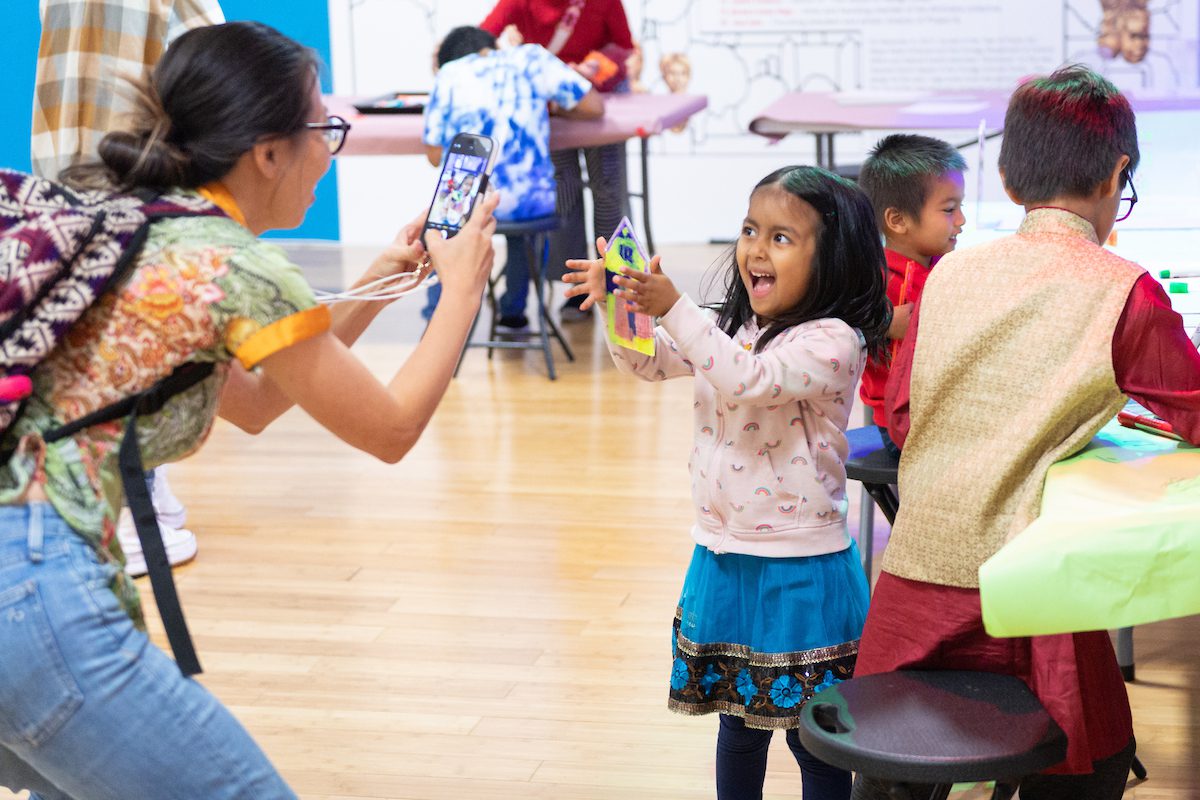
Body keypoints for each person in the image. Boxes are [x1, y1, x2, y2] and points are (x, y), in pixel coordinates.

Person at [0, 21, 496, 799]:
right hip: (29, 592)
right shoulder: (236, 264)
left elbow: (261, 401)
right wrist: (462, 288)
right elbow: (393, 431)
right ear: (268, 152)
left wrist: (381, 280)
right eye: (322, 131)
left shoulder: (147, 227)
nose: (327, 157)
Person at [852, 65, 1200, 799]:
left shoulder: (945, 278)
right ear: (1119, 174)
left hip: (912, 600)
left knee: (890, 773)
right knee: (1094, 757)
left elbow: (905, 418)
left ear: (1008, 181)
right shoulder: (1126, 291)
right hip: (1037, 606)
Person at [563, 166, 891, 800]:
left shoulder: (832, 342)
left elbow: (749, 379)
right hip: (724, 553)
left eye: (781, 237)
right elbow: (652, 361)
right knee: (738, 729)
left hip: (801, 569)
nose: (755, 250)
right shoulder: (734, 328)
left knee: (814, 737)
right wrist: (621, 306)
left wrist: (676, 306)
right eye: (749, 230)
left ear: (834, 259)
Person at [33, 0, 228, 577]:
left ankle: (140, 488)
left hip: (73, 180)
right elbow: (212, 67)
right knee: (138, 341)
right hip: (132, 181)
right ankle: (127, 506)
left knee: (98, 339)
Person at [420, 25, 601, 329]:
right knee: (526, 224)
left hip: (469, 205)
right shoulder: (532, 58)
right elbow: (594, 107)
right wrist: (549, 108)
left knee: (443, 218)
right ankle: (513, 312)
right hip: (530, 205)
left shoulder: (449, 74)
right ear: (493, 45)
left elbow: (434, 155)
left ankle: (438, 316)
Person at [480, 0, 635, 323]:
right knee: (563, 194)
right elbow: (480, 39)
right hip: (553, 102)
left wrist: (589, 71)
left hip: (598, 97)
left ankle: (618, 289)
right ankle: (578, 292)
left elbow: (622, 46)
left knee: (607, 193)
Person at [856, 134, 966, 456]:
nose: (961, 220)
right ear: (898, 220)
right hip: (903, 425)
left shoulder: (942, 266)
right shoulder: (877, 281)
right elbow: (833, 324)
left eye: (961, 207)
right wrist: (884, 322)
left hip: (937, 413)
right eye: (949, 210)